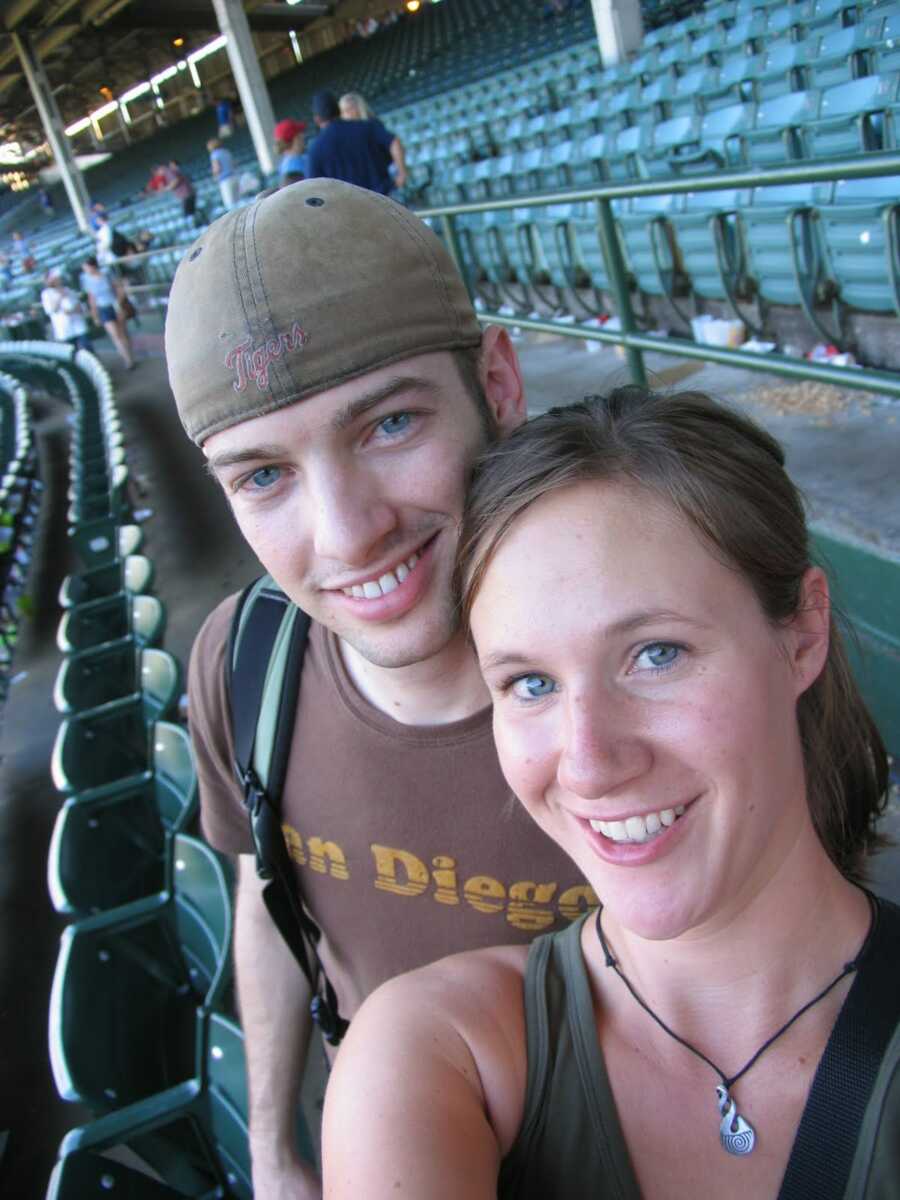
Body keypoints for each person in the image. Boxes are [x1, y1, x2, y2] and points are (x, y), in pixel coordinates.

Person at [322, 389, 898, 1198]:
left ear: (801, 633)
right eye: (528, 683)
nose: (587, 764)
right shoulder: (438, 1054)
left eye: (656, 654)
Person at [163, 179, 596, 1199]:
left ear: (498, 381)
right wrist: (274, 1147)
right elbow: (269, 900)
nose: (349, 534)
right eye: (263, 476)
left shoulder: (654, 664)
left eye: (390, 424)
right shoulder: (245, 666)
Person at [307, 90, 407, 194]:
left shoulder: (315, 148)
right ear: (339, 111)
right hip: (382, 198)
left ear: (317, 119)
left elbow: (314, 188)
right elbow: (395, 143)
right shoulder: (367, 127)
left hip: (348, 207)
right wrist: (401, 174)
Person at [82, 256, 134, 370]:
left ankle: (129, 356)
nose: (85, 270)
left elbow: (118, 288)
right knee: (115, 334)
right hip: (103, 308)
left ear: (92, 266)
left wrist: (119, 303)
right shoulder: (88, 281)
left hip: (115, 305)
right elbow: (92, 298)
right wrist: (95, 315)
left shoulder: (106, 275)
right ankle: (127, 359)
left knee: (122, 332)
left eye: (86, 268)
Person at [41, 268, 92, 352]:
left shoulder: (68, 290)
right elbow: (51, 309)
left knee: (87, 348)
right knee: (72, 352)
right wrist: (60, 296)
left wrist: (75, 310)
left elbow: (79, 305)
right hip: (64, 329)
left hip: (78, 325)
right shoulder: (46, 294)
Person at [273, 117, 308, 186]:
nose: (303, 136)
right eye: (300, 133)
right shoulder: (296, 164)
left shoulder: (285, 163)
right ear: (296, 139)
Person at [208, 137, 239, 211]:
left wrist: (214, 176)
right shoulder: (226, 151)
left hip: (225, 180)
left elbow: (217, 168)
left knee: (230, 205)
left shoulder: (214, 154)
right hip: (234, 177)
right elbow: (234, 163)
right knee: (237, 202)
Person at [164, 159, 198, 223]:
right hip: (189, 194)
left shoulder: (175, 172)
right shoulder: (180, 171)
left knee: (189, 213)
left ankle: (194, 225)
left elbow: (175, 182)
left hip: (186, 195)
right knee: (191, 213)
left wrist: (167, 188)